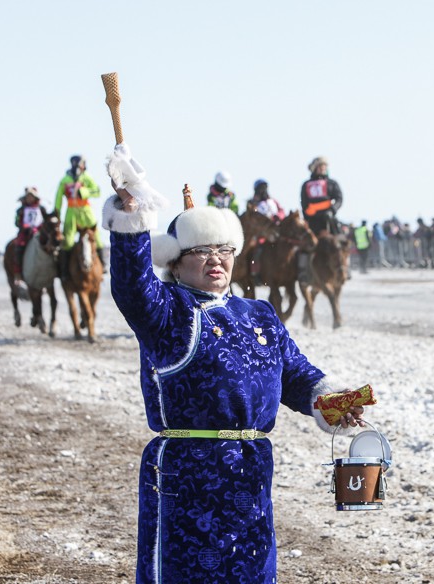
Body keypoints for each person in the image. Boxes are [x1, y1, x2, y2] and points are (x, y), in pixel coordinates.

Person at [101, 145, 365, 583]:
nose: (216, 260)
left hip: (250, 473)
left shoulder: (259, 314)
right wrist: (131, 212)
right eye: (202, 250)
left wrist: (330, 402)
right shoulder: (166, 309)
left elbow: (296, 376)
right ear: (177, 261)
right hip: (186, 476)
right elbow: (131, 286)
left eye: (224, 249)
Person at [55, 154, 104, 277]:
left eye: (80, 163)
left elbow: (97, 191)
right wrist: (57, 213)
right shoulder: (64, 180)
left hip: (86, 212)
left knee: (96, 238)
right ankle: (65, 270)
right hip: (71, 213)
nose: (77, 165)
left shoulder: (87, 178)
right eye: (75, 163)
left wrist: (84, 192)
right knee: (68, 241)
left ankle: (103, 265)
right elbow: (58, 199)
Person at [298, 156, 343, 283]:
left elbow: (339, 198)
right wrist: (307, 218)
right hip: (313, 222)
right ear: (315, 168)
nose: (323, 169)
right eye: (320, 166)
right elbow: (304, 203)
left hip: (329, 220)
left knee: (340, 243)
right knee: (305, 246)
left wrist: (332, 210)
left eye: (324, 166)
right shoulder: (306, 185)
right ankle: (303, 272)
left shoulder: (332, 183)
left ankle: (344, 270)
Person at [12, 187, 49, 286]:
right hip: (25, 233)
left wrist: (40, 228)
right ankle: (18, 273)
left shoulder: (41, 208)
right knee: (18, 248)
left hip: (40, 232)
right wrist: (25, 227)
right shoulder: (20, 210)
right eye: (28, 196)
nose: (30, 198)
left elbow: (46, 221)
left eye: (31, 196)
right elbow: (17, 222)